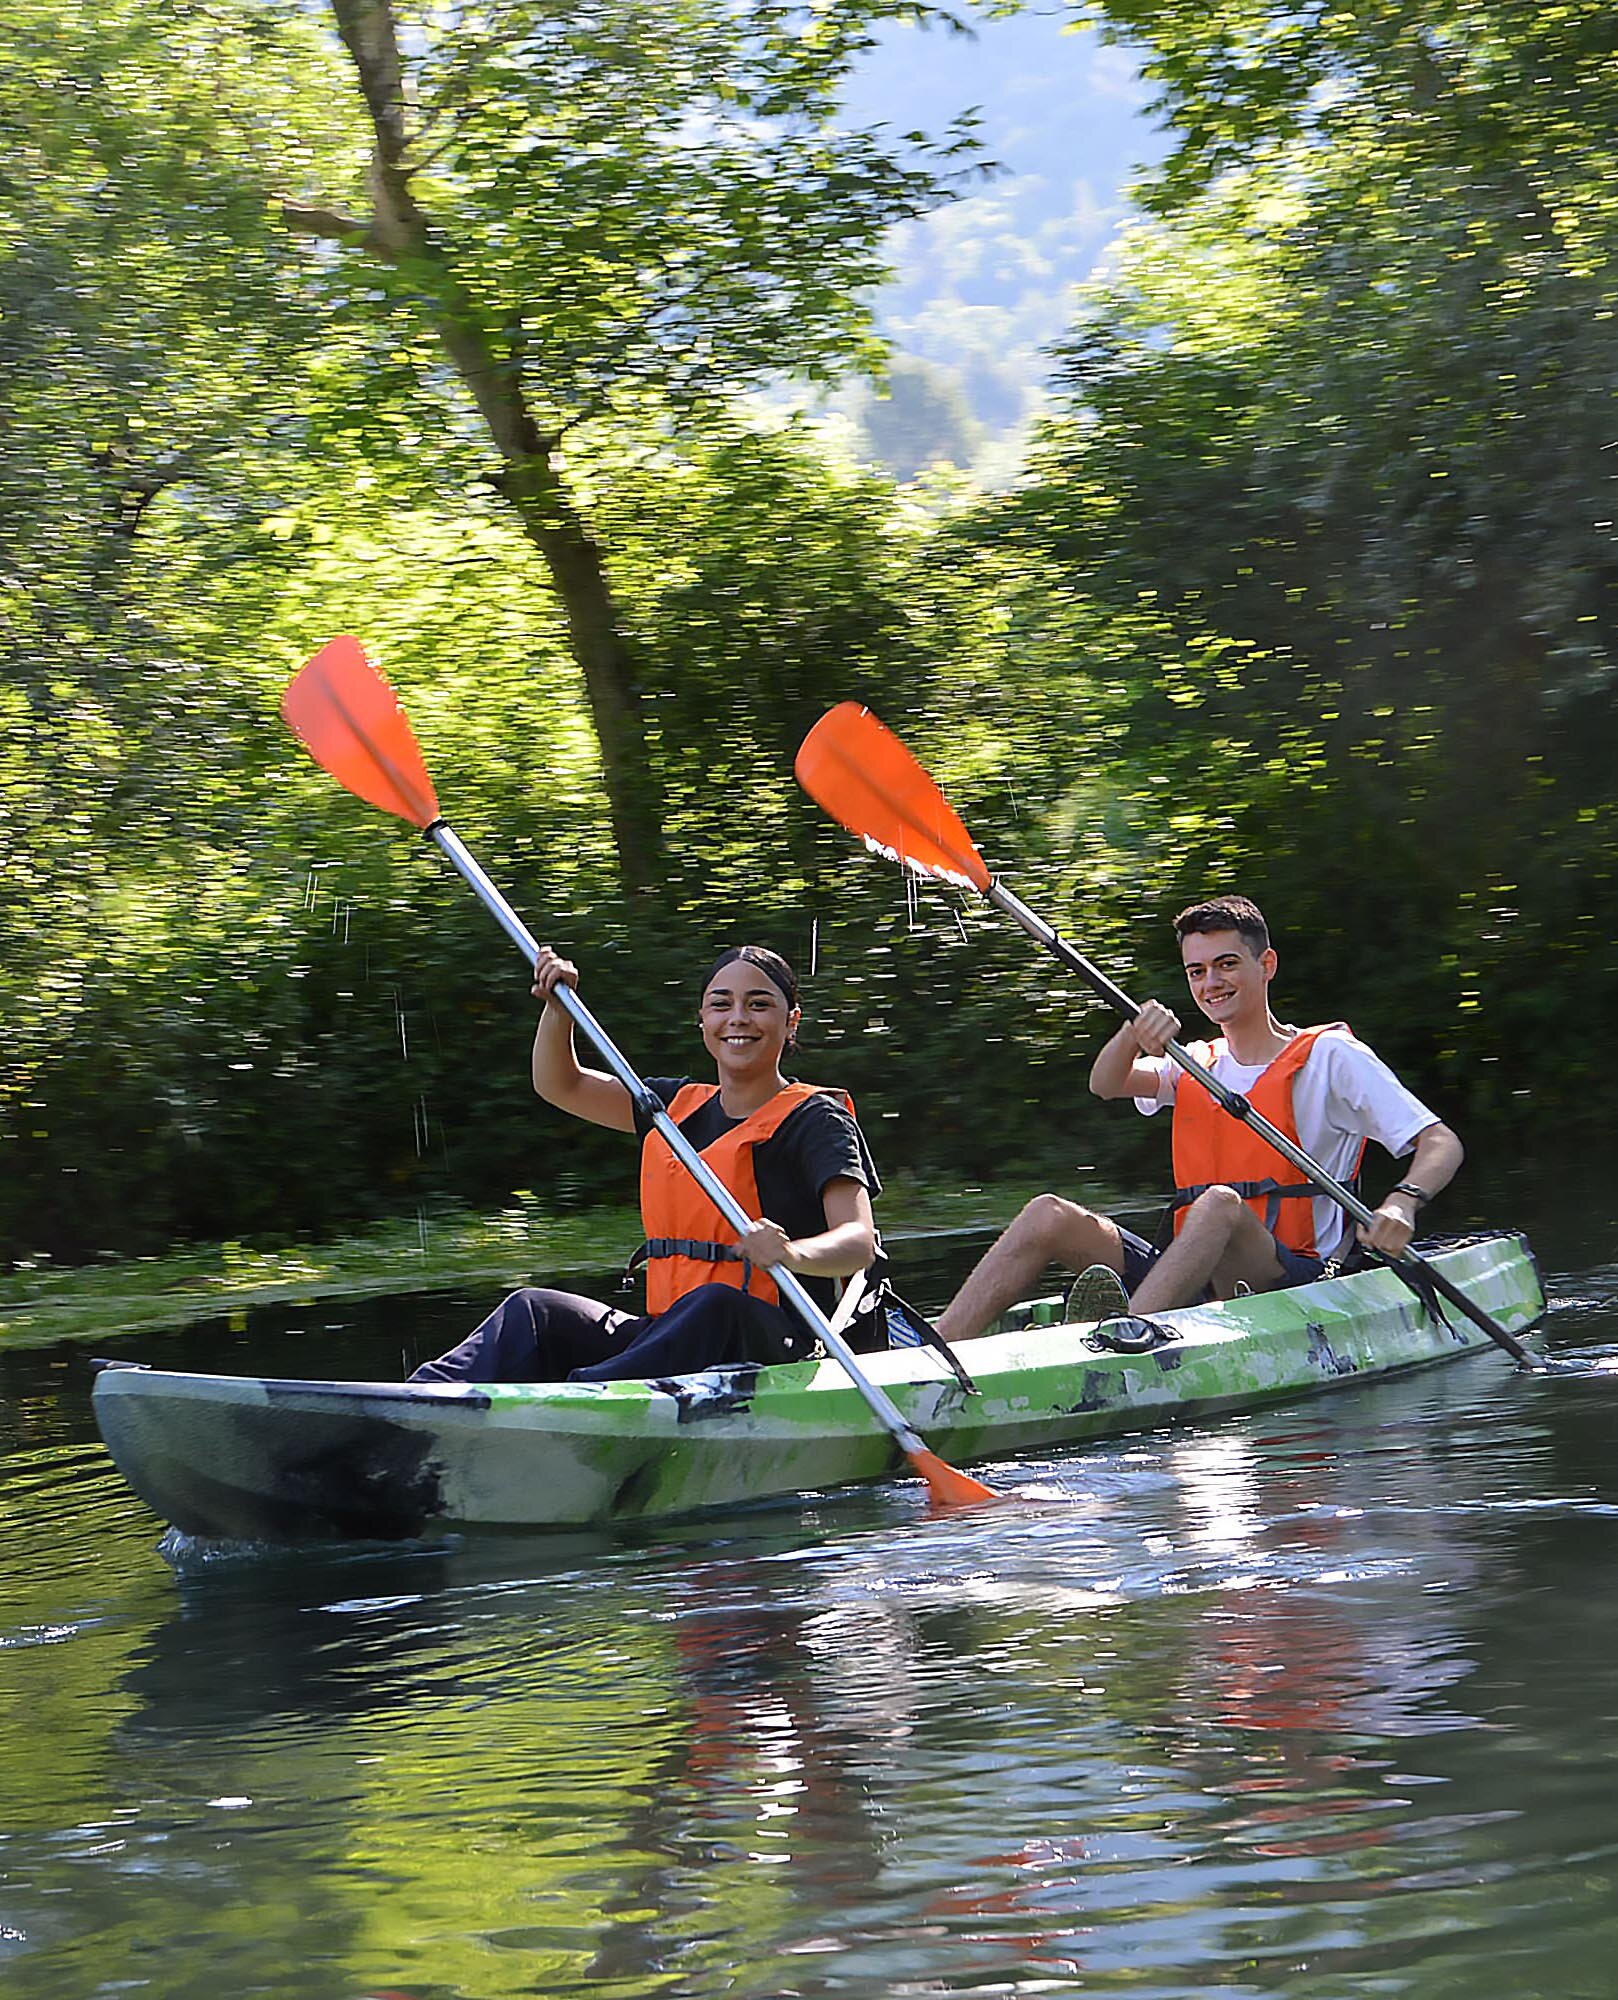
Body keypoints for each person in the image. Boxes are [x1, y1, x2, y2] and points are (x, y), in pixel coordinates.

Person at [935, 895, 1463, 1341]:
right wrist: (1131, 1034)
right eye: (1197, 971)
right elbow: (1105, 1084)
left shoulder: (1331, 1058)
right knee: (1049, 1212)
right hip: (1192, 1273)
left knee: (1219, 1204)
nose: (1211, 982)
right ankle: (932, 1349)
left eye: (1227, 964)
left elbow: (1440, 1143)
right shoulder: (1194, 1062)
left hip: (1294, 1275)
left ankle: (1130, 1335)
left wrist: (1403, 1202)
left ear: (1266, 965)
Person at [412, 943, 879, 1383]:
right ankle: (420, 1400)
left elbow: (858, 1242)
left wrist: (792, 1253)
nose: (738, 1018)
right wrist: (558, 1011)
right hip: (669, 1336)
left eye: (759, 1004)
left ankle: (586, 1398)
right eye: (721, 1004)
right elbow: (561, 1085)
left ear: (791, 1021)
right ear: (702, 1020)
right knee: (533, 1308)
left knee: (718, 1303)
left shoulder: (816, 1118)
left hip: (782, 1347)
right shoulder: (672, 1107)